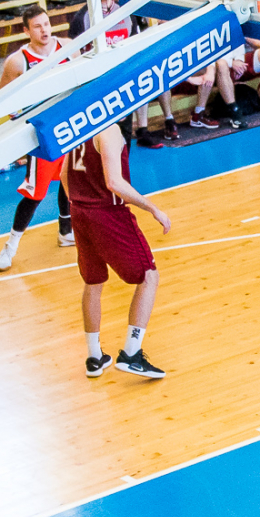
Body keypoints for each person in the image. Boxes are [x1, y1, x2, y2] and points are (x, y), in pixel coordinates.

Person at [65, 106, 171, 381]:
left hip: (79, 211)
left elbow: (64, 175)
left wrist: (80, 202)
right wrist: (153, 208)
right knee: (148, 275)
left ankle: (94, 357)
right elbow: (114, 182)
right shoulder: (109, 130)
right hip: (106, 213)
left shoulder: (78, 130)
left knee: (93, 282)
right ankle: (132, 354)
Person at [0, 6, 73, 272]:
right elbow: (0, 99)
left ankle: (66, 230)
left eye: (47, 24)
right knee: (35, 193)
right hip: (41, 133)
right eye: (38, 26)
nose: (45, 30)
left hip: (69, 125)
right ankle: (10, 246)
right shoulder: (18, 61)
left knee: (69, 178)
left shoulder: (69, 47)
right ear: (26, 31)